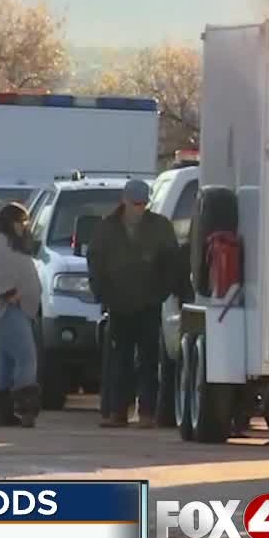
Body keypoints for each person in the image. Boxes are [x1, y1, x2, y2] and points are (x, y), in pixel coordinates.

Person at [87, 178, 182, 429]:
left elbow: (172, 262)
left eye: (142, 203)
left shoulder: (159, 227)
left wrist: (161, 292)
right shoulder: (107, 228)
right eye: (134, 203)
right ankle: (117, 412)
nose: (138, 208)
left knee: (149, 361)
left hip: (149, 304)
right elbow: (95, 263)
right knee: (119, 360)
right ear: (124, 201)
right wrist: (103, 295)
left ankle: (147, 413)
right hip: (118, 305)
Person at [0, 203, 42, 428]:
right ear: (12, 221)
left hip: (15, 307)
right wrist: (8, 291)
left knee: (6, 360)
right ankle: (26, 408)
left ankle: (3, 413)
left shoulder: (6, 241)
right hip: (5, 308)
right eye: (22, 222)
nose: (24, 227)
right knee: (27, 357)